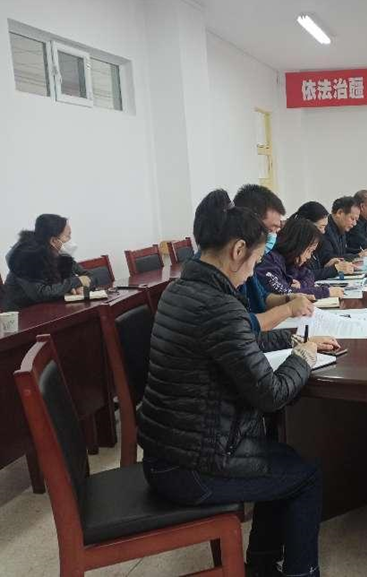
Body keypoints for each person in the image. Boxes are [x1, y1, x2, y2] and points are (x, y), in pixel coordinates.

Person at [138, 190, 337, 577]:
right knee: (305, 475)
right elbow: (271, 394)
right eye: (255, 262)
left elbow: (240, 340)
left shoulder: (181, 290)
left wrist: (295, 339)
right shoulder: (220, 305)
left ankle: (261, 564)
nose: (251, 274)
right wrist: (304, 356)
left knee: (283, 458)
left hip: (168, 453)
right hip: (193, 468)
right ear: (238, 250)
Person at [233, 184, 315, 331]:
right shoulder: (231, 266)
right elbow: (242, 327)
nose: (274, 236)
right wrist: (288, 309)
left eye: (277, 229)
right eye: (271, 229)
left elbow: (262, 297)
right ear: (250, 223)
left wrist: (289, 298)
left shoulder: (251, 259)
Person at [2, 214, 94, 311]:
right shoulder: (26, 259)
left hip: (51, 307)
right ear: (53, 241)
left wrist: (80, 286)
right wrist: (76, 282)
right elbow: (41, 293)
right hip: (21, 312)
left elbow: (89, 276)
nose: (70, 240)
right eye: (68, 236)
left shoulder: (60, 254)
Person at [257, 217, 345, 299]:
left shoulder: (291, 262)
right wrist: (326, 292)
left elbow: (309, 275)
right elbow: (284, 293)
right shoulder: (269, 262)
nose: (309, 256)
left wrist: (301, 284)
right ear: (297, 245)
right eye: (309, 250)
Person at [291, 202, 355, 280]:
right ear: (307, 224)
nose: (323, 232)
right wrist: (334, 269)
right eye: (321, 227)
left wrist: (326, 267)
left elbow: (313, 271)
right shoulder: (296, 246)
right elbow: (303, 276)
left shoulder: (314, 243)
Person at [317, 196, 367, 265]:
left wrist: (361, 252)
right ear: (339, 213)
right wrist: (358, 256)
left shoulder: (341, 227)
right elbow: (328, 258)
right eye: (352, 219)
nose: (354, 224)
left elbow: (342, 252)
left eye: (356, 220)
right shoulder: (324, 229)